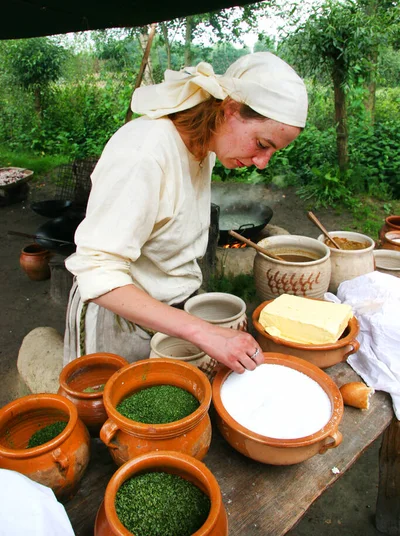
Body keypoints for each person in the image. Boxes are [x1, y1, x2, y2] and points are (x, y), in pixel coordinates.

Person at [64, 52, 308, 374]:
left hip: (165, 314)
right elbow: (97, 270)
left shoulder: (202, 145)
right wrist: (204, 332)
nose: (263, 162)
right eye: (262, 144)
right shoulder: (144, 154)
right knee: (114, 413)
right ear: (230, 109)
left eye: (272, 152)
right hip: (117, 317)